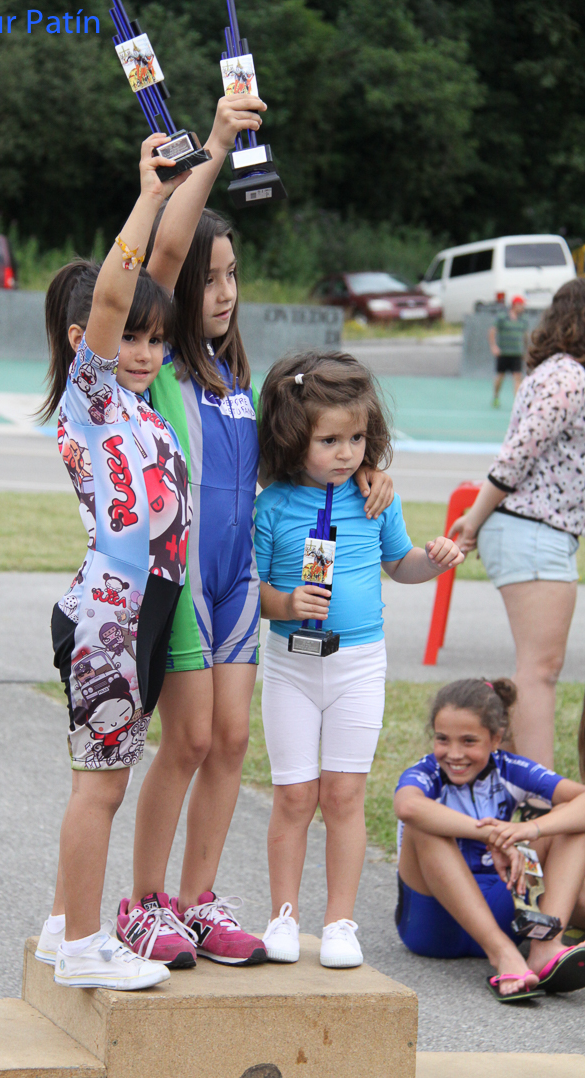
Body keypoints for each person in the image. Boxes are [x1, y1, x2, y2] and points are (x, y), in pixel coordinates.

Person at [117, 101, 395, 967]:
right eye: (210, 278)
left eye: (232, 275)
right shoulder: (166, 360)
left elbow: (305, 461)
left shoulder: (235, 374)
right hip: (183, 578)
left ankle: (197, 901)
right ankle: (143, 904)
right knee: (189, 739)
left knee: (233, 743)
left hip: (239, 581)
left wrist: (369, 473)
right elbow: (164, 256)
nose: (225, 291)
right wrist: (216, 144)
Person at [32, 134, 194, 990]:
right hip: (111, 612)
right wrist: (148, 195)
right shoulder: (91, 400)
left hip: (146, 611)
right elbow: (121, 285)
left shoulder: (145, 409)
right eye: (128, 337)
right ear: (86, 339)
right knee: (100, 785)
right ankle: (86, 948)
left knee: (106, 780)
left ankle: (65, 925)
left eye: (154, 341)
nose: (143, 352)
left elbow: (159, 274)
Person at [253, 352, 464, 969]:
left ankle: (340, 922)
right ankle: (283, 915)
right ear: (293, 437)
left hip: (359, 665)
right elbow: (249, 591)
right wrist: (286, 601)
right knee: (295, 796)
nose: (346, 454)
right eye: (329, 441)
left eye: (357, 439)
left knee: (344, 795)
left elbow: (400, 565)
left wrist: (434, 559)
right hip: (291, 665)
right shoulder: (272, 507)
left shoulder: (375, 498)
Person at [449, 278, 585, 768]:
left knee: (538, 668)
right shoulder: (568, 377)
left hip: (539, 530)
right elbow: (517, 456)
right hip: (532, 529)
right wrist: (473, 521)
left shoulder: (558, 374)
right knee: (540, 670)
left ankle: (511, 777)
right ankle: (539, 793)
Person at [394, 678, 585, 1001]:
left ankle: (545, 946)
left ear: (496, 739)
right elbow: (407, 807)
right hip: (432, 924)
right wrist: (492, 834)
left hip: (499, 906)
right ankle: (503, 954)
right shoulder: (425, 772)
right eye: (442, 739)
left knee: (571, 821)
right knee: (423, 822)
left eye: (469, 741)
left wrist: (530, 829)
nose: (454, 754)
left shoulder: (511, 769)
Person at [489, 295, 528, 407]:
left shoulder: (523, 320)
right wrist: (494, 346)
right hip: (504, 353)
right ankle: (496, 396)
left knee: (517, 377)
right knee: (500, 377)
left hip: (517, 353)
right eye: (521, 305)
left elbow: (525, 336)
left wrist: (525, 351)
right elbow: (492, 331)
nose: (523, 308)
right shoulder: (502, 317)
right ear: (515, 305)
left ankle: (517, 403)